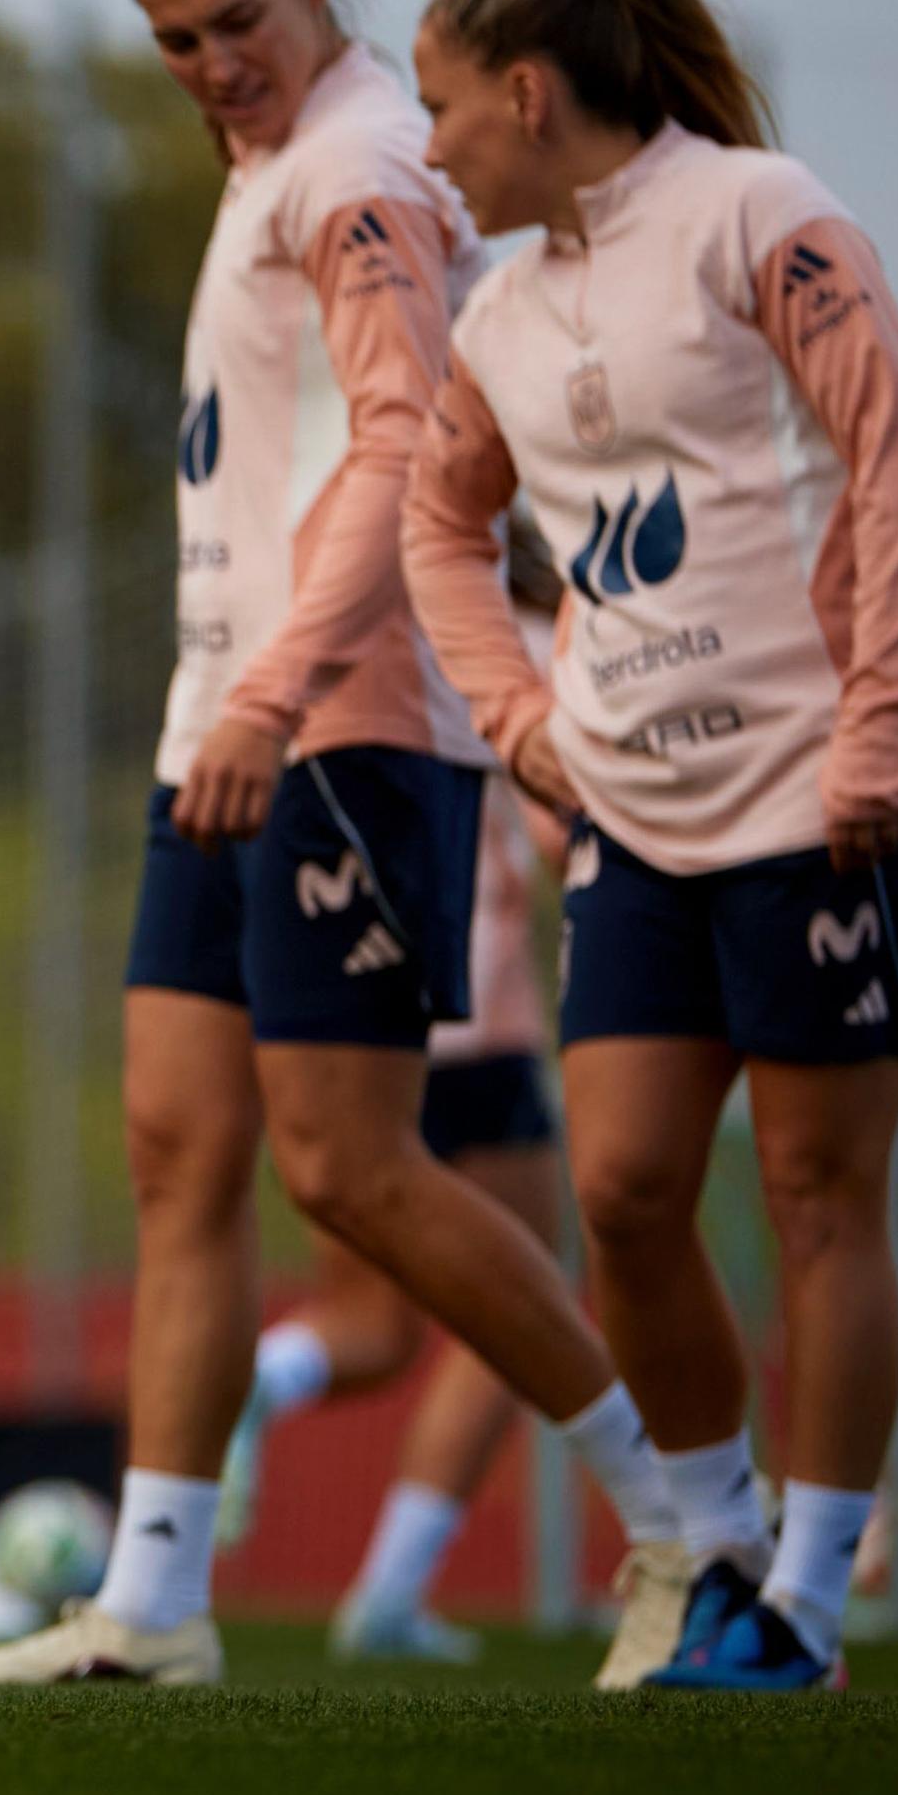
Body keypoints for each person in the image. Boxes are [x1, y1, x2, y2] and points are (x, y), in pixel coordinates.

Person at [0, 0, 679, 1691]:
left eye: (235, 21)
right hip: (226, 732)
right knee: (180, 1158)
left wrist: (273, 692)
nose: (207, 60)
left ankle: (690, 1525)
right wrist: (224, 707)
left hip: (341, 732)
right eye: (174, 39)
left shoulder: (358, 171)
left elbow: (406, 458)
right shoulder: (272, 163)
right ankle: (156, 1607)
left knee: (350, 1175)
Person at [404, 0, 898, 1691]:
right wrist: (516, 716)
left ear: (526, 89)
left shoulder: (757, 211)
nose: (430, 149)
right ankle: (713, 1549)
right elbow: (437, 528)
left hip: (829, 796)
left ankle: (807, 1604)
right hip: (633, 823)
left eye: (439, 109)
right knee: (631, 1191)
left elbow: (893, 448)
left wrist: (882, 718)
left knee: (815, 1195)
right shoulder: (496, 315)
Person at [221, 538, 578, 1664]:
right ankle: (390, 1586)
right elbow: (556, 832)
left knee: (371, 1329)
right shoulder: (527, 641)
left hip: (358, 1010)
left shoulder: (363, 628)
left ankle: (260, 1378)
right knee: (521, 1299)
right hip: (480, 1022)